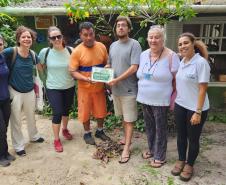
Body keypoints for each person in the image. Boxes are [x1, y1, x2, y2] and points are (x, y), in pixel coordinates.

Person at [136, 25, 180, 167]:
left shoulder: (171, 56)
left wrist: (173, 96)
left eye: (157, 37)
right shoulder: (143, 54)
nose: (153, 40)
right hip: (144, 97)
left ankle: (160, 156)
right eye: (151, 37)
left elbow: (177, 80)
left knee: (160, 128)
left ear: (163, 39)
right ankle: (152, 149)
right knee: (149, 126)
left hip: (161, 100)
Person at [171, 32, 210, 181]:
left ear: (193, 43)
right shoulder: (182, 61)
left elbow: (203, 89)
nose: (183, 46)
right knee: (181, 136)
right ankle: (181, 159)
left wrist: (198, 112)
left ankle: (189, 164)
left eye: (186, 43)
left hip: (196, 108)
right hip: (181, 104)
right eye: (180, 44)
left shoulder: (201, 63)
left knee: (193, 138)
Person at [2, 26, 44, 157]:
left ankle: (34, 136)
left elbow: (40, 69)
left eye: (29, 37)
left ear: (32, 39)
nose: (26, 39)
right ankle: (19, 146)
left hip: (29, 91)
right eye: (23, 37)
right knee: (16, 120)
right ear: (18, 39)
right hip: (14, 90)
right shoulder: (11, 52)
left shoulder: (33, 54)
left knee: (31, 116)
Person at [107, 16, 142, 163]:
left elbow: (134, 67)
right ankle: (126, 139)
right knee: (122, 117)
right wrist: (106, 71)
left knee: (129, 120)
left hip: (128, 90)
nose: (120, 27)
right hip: (116, 90)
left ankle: (127, 147)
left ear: (128, 28)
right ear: (116, 29)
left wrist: (117, 79)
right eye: (118, 26)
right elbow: (110, 63)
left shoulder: (134, 45)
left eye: (123, 25)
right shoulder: (113, 45)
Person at [69, 22, 110, 145]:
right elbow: (72, 71)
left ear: (94, 33)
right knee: (85, 112)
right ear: (80, 35)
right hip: (84, 88)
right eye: (85, 35)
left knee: (101, 110)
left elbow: (107, 62)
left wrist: (107, 69)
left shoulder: (102, 47)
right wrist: (85, 78)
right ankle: (87, 133)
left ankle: (100, 130)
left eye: (91, 34)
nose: (89, 37)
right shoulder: (77, 51)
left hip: (99, 87)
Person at [38, 26, 75, 152]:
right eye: (53, 37)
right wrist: (45, 81)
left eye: (58, 36)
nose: (57, 39)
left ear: (62, 36)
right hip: (53, 87)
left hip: (69, 85)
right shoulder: (45, 52)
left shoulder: (71, 51)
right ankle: (56, 139)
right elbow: (40, 66)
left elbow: (77, 66)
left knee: (66, 110)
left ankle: (65, 129)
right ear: (50, 39)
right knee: (58, 112)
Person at [0, 35, 16, 167]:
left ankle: (5, 152)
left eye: (0, 43)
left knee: (4, 127)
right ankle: (0, 156)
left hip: (5, 99)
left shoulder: (3, 58)